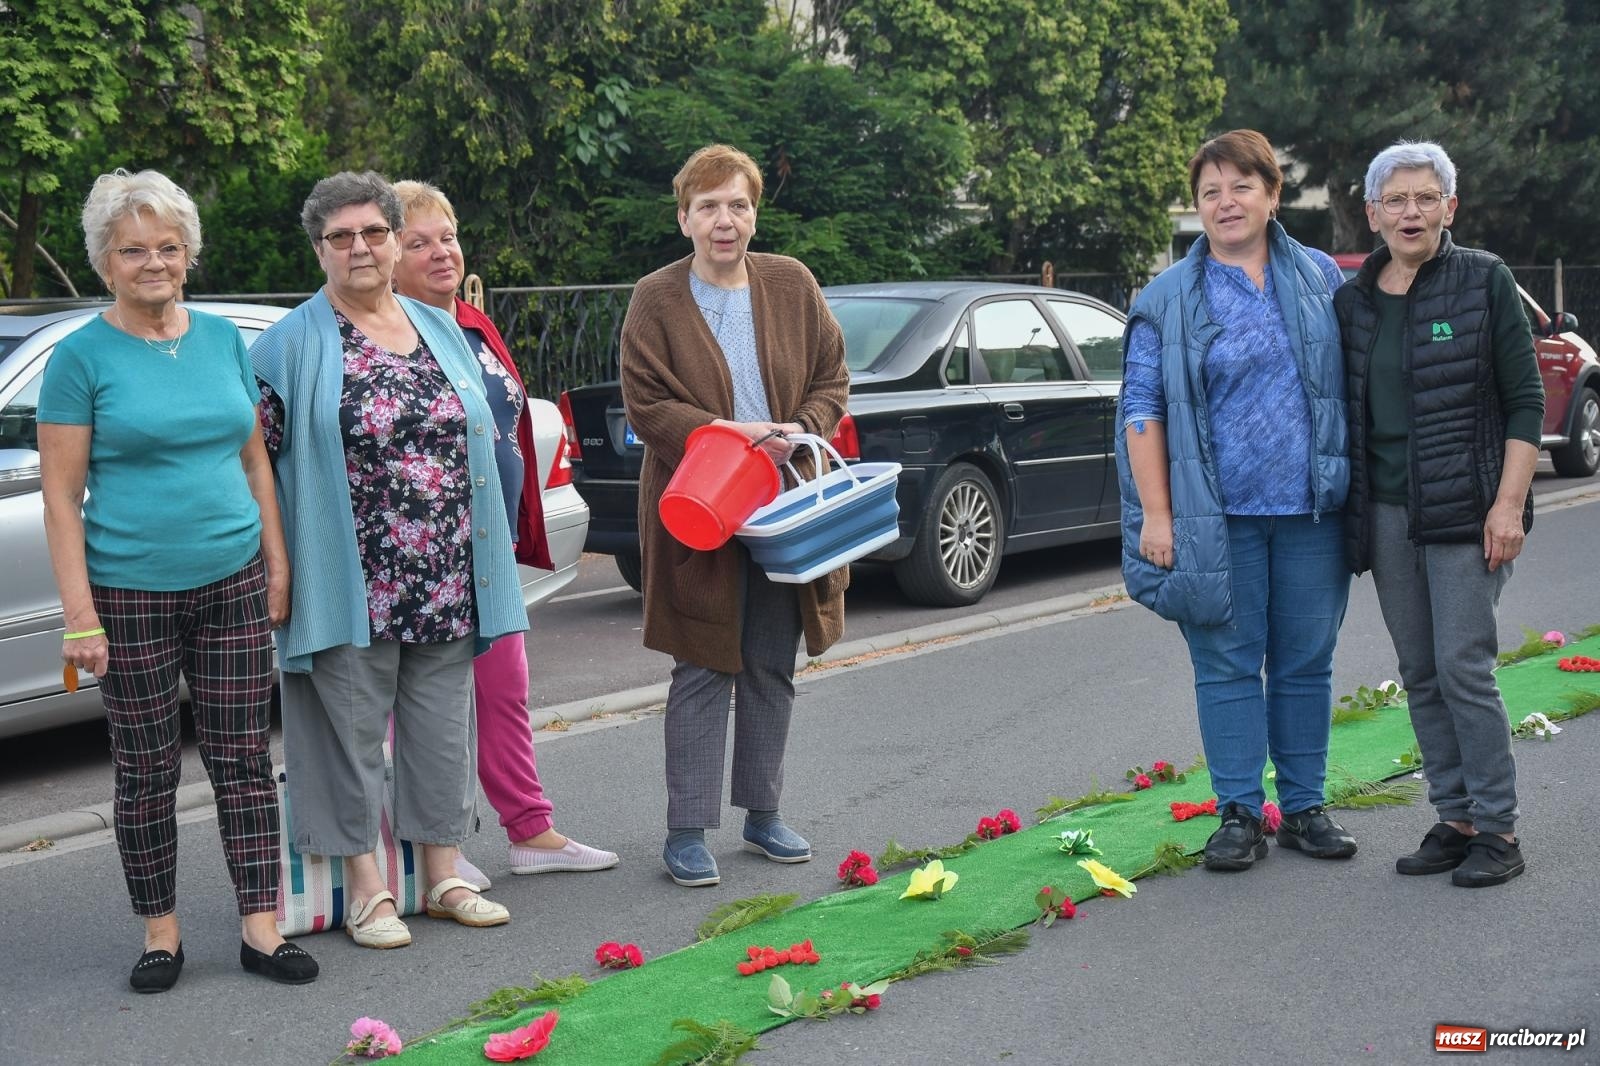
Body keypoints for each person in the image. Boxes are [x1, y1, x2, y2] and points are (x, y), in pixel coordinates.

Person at [38, 169, 318, 990]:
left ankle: (261, 930)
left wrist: (275, 558)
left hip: (230, 578)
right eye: (133, 251)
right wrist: (79, 617)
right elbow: (60, 496)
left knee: (240, 758)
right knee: (147, 767)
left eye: (168, 247)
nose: (153, 263)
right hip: (127, 593)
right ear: (105, 262)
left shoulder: (223, 339)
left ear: (188, 254)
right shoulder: (80, 357)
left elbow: (252, 455)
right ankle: (160, 933)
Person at [251, 171, 525, 948]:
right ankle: (365, 887)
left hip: (446, 571)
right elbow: (255, 466)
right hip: (348, 571)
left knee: (442, 726)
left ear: (395, 238)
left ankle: (442, 873)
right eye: (342, 236)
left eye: (374, 232)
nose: (361, 248)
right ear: (320, 249)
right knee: (347, 727)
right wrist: (277, 565)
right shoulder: (288, 345)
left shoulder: (437, 326)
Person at [1115, 129, 1356, 872]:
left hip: (1314, 511)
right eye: (1210, 191)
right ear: (1196, 208)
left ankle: (1307, 807)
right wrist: (1159, 516)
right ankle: (1239, 813)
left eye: (1241, 186)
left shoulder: (1321, 277)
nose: (1226, 202)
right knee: (1224, 663)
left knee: (1305, 663)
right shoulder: (1165, 299)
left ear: (1273, 194)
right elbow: (1140, 410)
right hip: (1215, 518)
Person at [620, 143, 849, 887]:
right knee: (700, 664)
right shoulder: (656, 297)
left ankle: (763, 814)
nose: (726, 220)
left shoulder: (791, 283)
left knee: (770, 663)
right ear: (684, 217)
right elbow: (647, 404)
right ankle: (686, 831)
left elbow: (830, 377)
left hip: (782, 503)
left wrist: (793, 431)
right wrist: (730, 437)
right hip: (701, 506)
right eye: (710, 206)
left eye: (739, 205)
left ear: (755, 214)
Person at [391, 179, 617, 876]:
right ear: (387, 256)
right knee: (423, 707)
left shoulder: (470, 321)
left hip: (487, 549)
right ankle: (428, 851)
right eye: (419, 242)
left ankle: (530, 833)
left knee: (503, 687)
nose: (441, 252)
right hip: (424, 554)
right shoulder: (391, 332)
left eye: (448, 237)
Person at [1336, 141, 1543, 888]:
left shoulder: (1484, 280)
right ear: (1373, 214)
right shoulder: (1354, 299)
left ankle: (1499, 829)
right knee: (1419, 670)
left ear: (1450, 207)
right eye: (1397, 200)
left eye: (1427, 197)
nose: (1412, 211)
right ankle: (1454, 818)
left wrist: (1509, 504)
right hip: (1388, 513)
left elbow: (1525, 401)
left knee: (1463, 665)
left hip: (1469, 510)